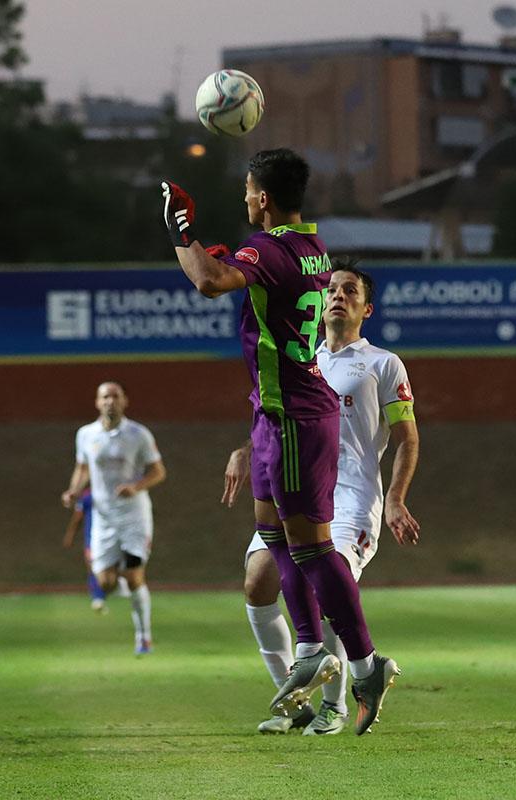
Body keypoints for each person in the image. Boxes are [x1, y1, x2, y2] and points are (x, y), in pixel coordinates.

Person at [161, 149, 400, 735]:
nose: (245, 199)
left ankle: (367, 663)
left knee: (311, 548)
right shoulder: (308, 246)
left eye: (247, 190)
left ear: (262, 198)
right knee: (274, 538)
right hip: (271, 416)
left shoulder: (270, 248)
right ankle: (312, 649)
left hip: (296, 415)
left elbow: (209, 282)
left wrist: (179, 229)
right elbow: (251, 277)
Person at [222, 260, 420, 735]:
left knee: (320, 585)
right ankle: (294, 703)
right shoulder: (304, 360)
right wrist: (246, 450)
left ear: (366, 308)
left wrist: (395, 498)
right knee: (256, 580)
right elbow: (282, 423)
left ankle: (333, 706)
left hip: (352, 498)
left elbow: (408, 437)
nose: (337, 296)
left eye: (349, 291)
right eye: (331, 288)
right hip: (299, 486)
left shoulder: (382, 364)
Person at [61, 382, 166, 653]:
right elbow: (82, 468)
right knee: (104, 581)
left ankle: (144, 637)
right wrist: (73, 491)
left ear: (124, 401)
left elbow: (158, 471)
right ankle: (116, 579)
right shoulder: (86, 434)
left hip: (133, 515)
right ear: (97, 402)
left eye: (115, 396)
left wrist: (136, 487)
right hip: (103, 516)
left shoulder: (138, 434)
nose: (110, 401)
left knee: (133, 575)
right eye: (105, 396)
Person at [60, 488, 109, 612]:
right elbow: (77, 517)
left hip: (111, 537)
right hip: (92, 539)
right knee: (92, 567)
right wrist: (70, 535)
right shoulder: (87, 496)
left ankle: (109, 590)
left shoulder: (111, 492)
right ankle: (97, 597)